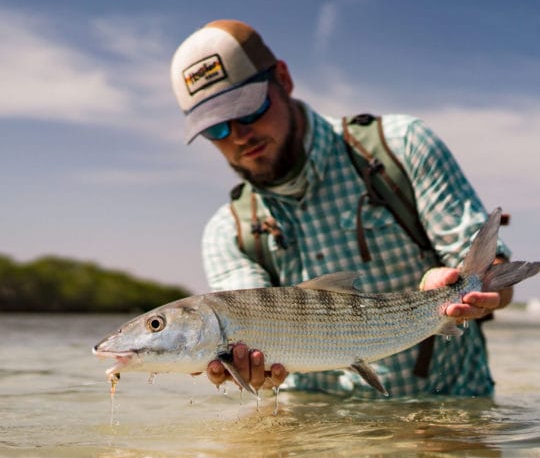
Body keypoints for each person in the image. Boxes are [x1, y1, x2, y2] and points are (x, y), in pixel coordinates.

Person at [169, 20, 513, 397]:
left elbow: (496, 280)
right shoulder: (226, 232)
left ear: (283, 78)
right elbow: (248, 339)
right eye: (216, 128)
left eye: (249, 110)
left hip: (447, 417)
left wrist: (465, 291)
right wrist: (247, 370)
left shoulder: (402, 146)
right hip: (320, 436)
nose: (238, 135)